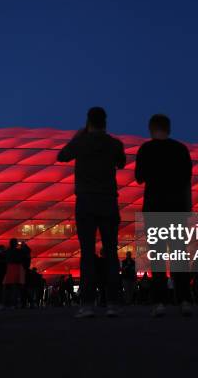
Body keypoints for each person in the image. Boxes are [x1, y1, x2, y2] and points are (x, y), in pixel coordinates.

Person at [57, 106, 126, 318]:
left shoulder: (81, 142)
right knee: (111, 253)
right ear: (105, 123)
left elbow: (62, 156)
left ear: (88, 122)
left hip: (86, 201)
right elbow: (122, 164)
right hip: (108, 201)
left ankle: (87, 305)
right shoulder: (114, 144)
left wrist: (79, 135)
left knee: (87, 254)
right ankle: (113, 303)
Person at [134, 114, 193, 317]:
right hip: (177, 209)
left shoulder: (146, 149)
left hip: (154, 208)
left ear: (151, 129)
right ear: (169, 128)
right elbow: (187, 179)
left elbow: (139, 178)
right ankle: (185, 300)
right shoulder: (180, 149)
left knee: (158, 257)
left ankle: (159, 303)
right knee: (179, 255)